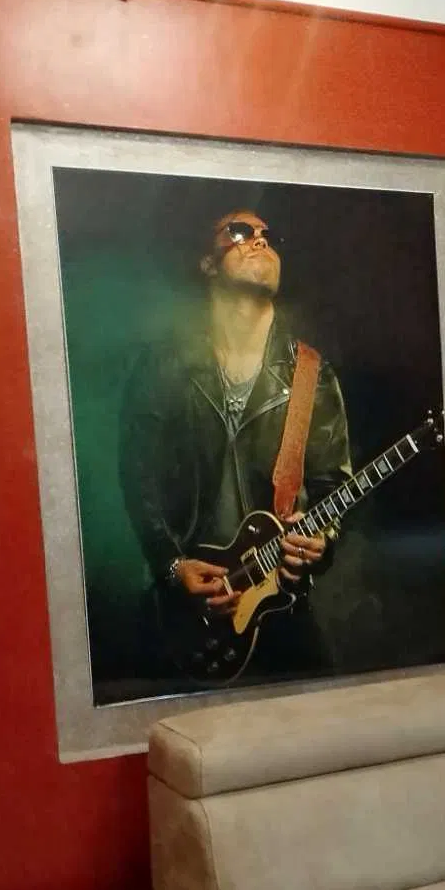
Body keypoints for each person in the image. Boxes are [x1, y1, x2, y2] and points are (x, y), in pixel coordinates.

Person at [119, 209, 354, 679]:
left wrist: (320, 544)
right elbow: (137, 473)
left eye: (269, 235)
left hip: (277, 611)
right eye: (241, 232)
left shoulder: (310, 373)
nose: (260, 240)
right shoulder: (164, 365)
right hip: (182, 617)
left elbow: (333, 489)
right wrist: (172, 567)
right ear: (208, 263)